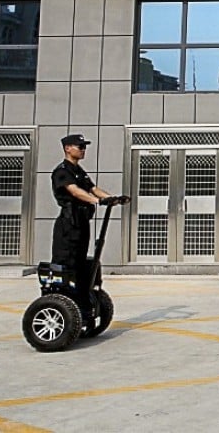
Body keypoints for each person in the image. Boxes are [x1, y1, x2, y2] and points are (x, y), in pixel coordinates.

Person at [51, 133, 124, 312]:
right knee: (67, 260)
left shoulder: (79, 171)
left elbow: (93, 188)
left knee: (82, 261)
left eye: (84, 147)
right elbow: (75, 192)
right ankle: (62, 301)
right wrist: (97, 201)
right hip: (68, 224)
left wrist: (112, 198)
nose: (83, 150)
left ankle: (81, 300)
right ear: (68, 148)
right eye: (80, 146)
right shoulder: (62, 171)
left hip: (82, 222)